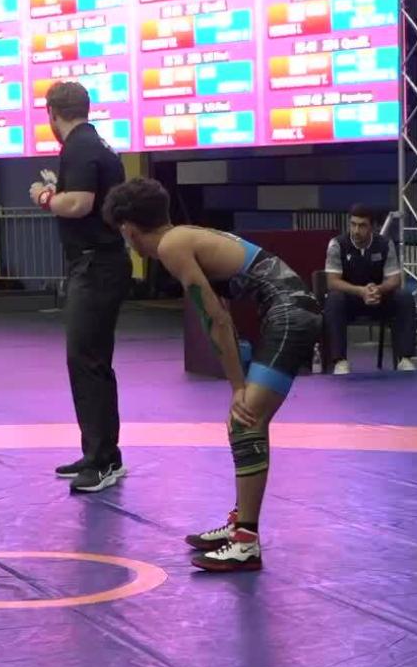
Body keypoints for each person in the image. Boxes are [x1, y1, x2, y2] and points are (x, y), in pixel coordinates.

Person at [102, 178, 322, 572]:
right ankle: (241, 524)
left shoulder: (172, 247)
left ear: (128, 229)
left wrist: (237, 386)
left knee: (245, 422)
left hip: (290, 313)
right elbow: (222, 313)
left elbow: (216, 320)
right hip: (290, 310)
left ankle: (246, 543)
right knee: (246, 423)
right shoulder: (184, 236)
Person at [28, 80, 130, 494]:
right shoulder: (97, 143)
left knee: (86, 360)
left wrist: (44, 197)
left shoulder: (79, 146)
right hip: (100, 262)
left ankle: (102, 459)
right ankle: (102, 454)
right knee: (93, 360)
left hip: (95, 264)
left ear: (52, 114)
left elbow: (79, 203)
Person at [323, 204, 417, 374]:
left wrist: (378, 289)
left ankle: (405, 358)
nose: (356, 230)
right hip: (350, 300)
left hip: (378, 299)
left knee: (404, 297)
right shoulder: (337, 244)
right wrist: (360, 291)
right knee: (334, 299)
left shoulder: (385, 244)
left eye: (362, 226)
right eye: (353, 224)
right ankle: (340, 361)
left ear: (372, 227)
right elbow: (332, 282)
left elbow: (395, 279)